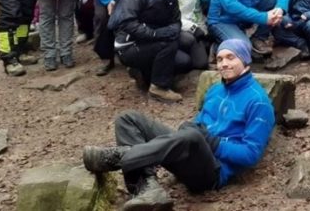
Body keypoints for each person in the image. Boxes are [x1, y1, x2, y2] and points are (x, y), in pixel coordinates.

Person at [82, 39, 275, 209]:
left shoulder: (258, 102)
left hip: (213, 172)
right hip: (191, 152)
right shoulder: (215, 90)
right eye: (219, 59)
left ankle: (123, 156)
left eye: (231, 58)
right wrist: (192, 130)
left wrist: (212, 142)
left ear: (245, 60)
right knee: (128, 119)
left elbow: (251, 155)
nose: (224, 64)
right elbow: (199, 125)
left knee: (192, 136)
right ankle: (147, 188)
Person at [110, 0, 184, 102]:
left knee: (184, 61)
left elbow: (176, 20)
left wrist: (173, 30)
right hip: (128, 45)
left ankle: (144, 73)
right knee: (170, 43)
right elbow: (127, 23)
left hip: (149, 41)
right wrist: (156, 34)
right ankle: (159, 88)